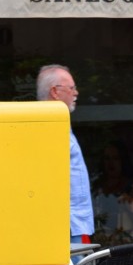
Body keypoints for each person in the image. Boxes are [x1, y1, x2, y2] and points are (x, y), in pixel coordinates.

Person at [36, 64, 95, 245]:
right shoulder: (48, 126)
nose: (76, 93)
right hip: (68, 224)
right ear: (55, 92)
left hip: (72, 223)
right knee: (76, 264)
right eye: (71, 88)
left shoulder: (55, 123)